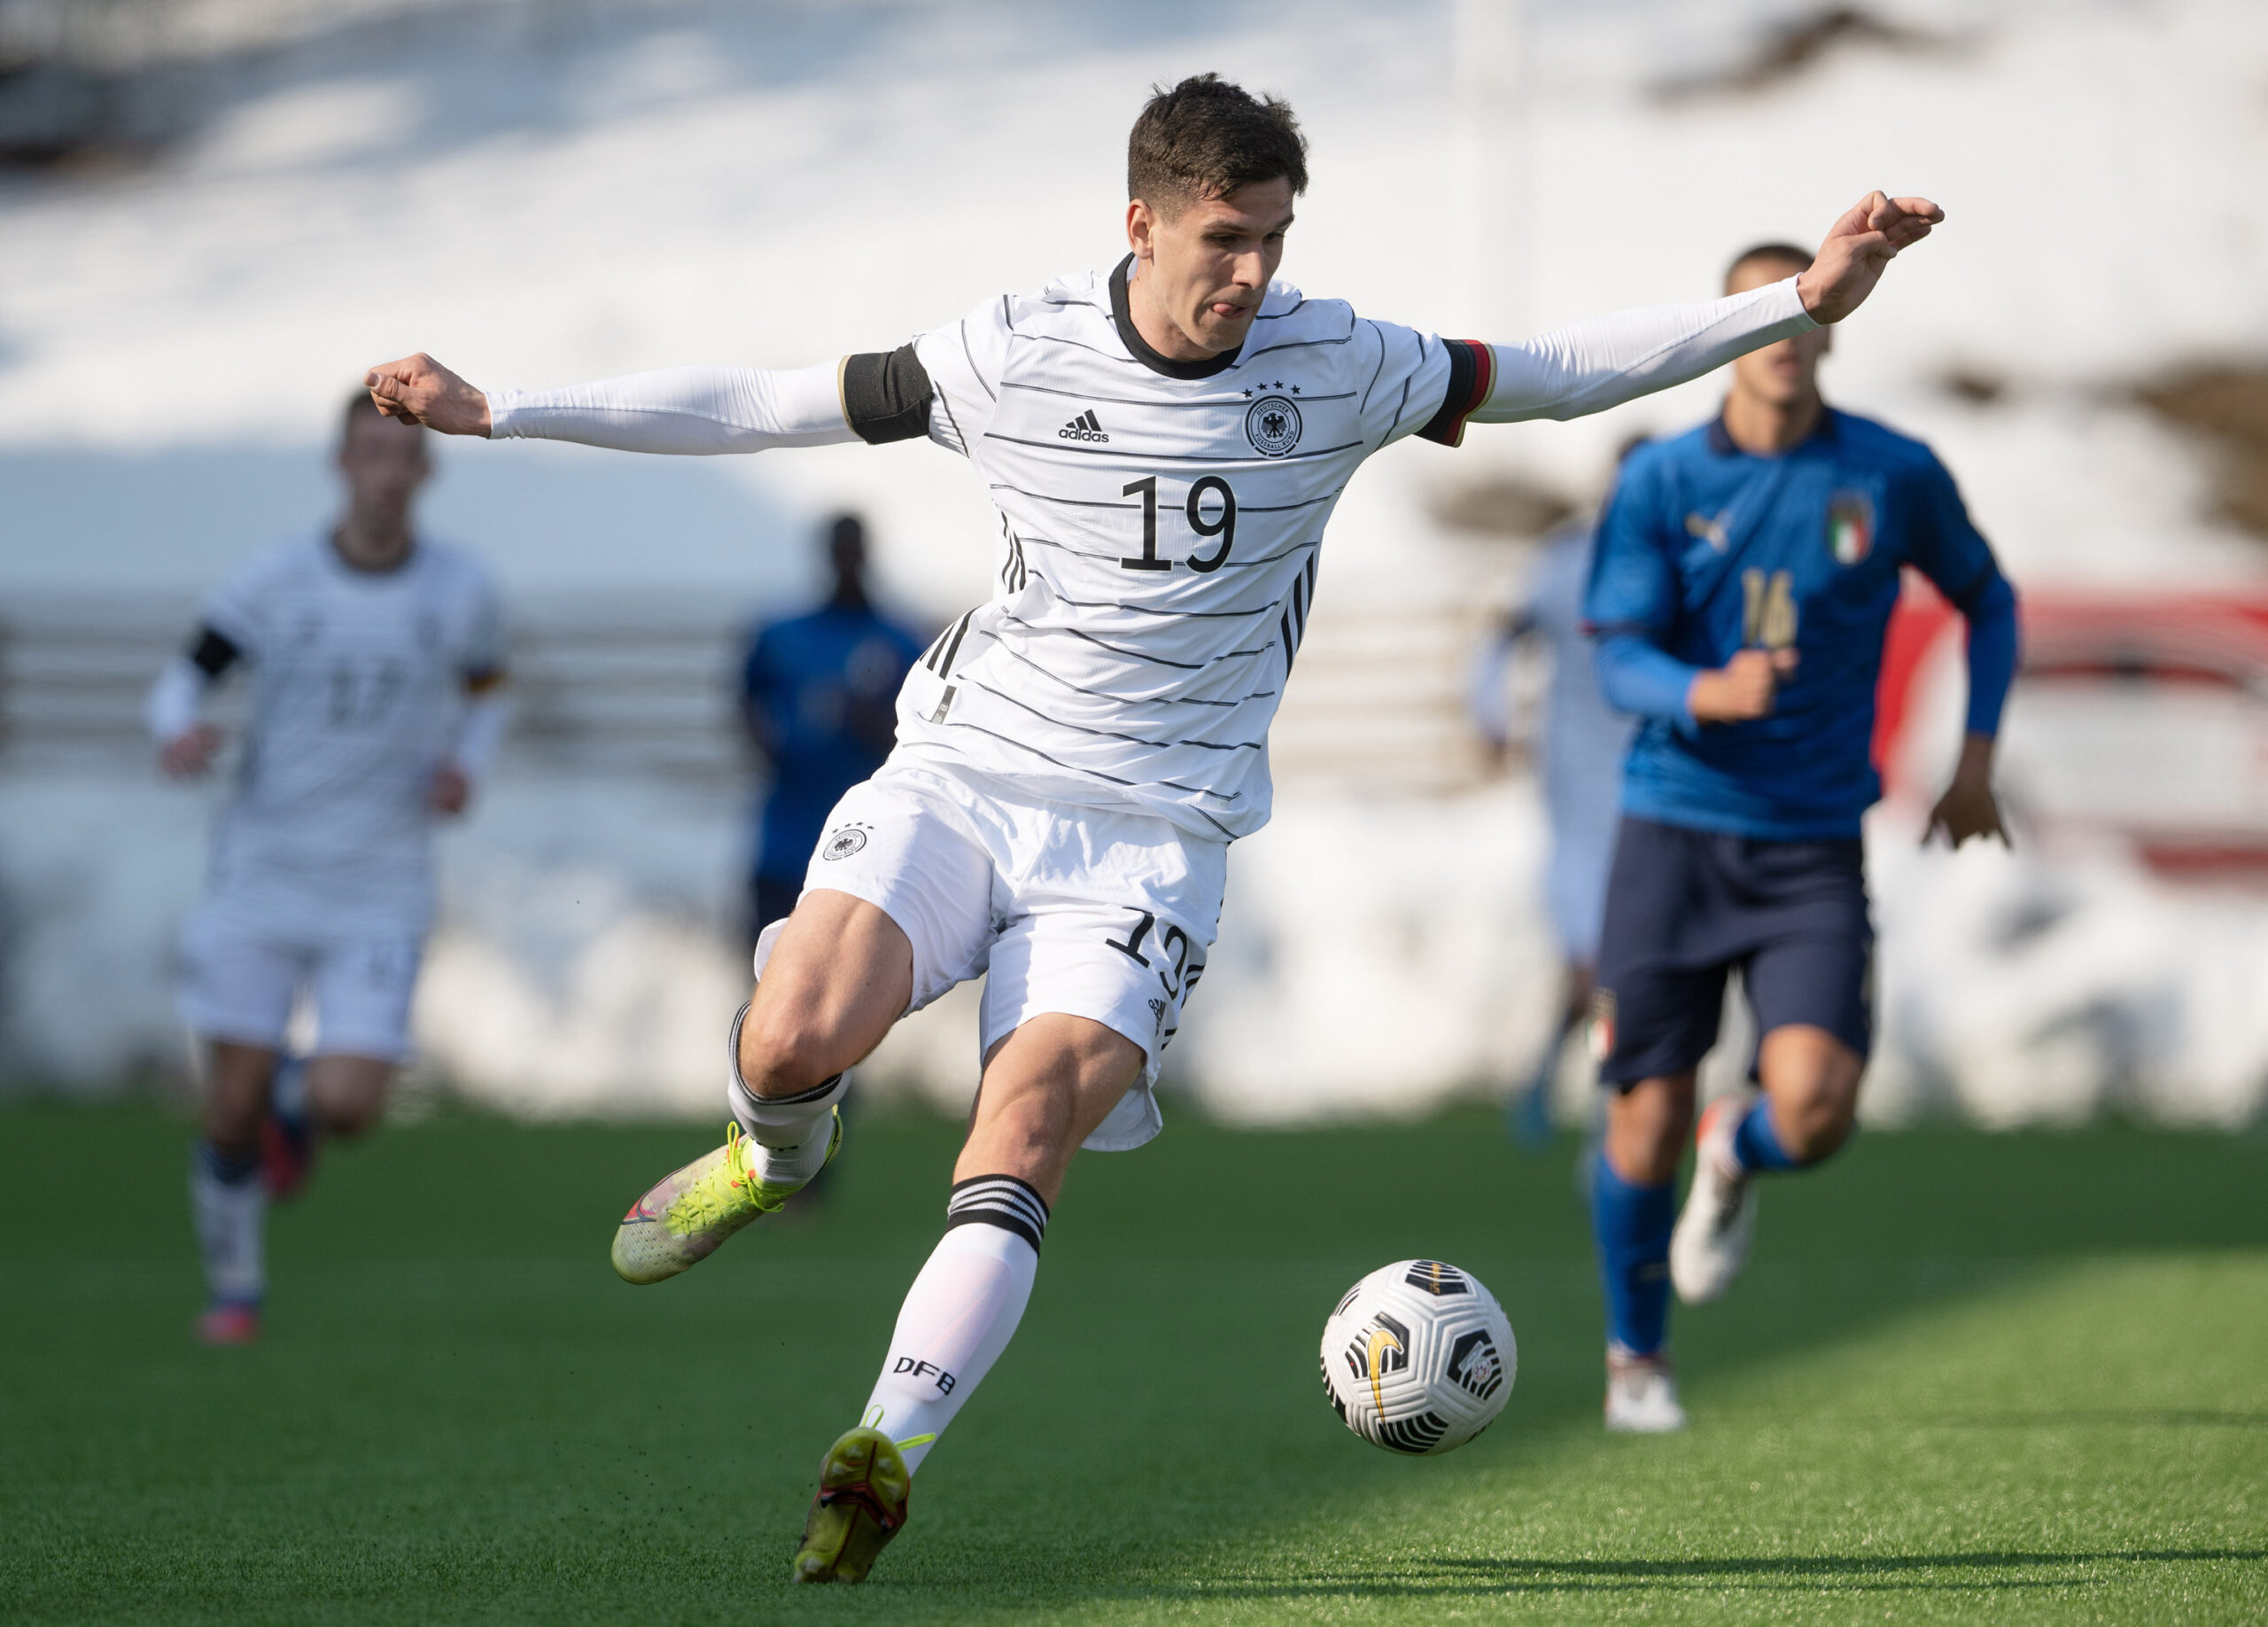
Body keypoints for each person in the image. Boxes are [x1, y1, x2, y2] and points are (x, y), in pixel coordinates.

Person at [362, 74, 1942, 1582]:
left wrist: (1800, 298)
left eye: (1273, 241)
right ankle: (771, 1152)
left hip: (1154, 839)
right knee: (792, 1037)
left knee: (1028, 1118)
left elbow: (1563, 368)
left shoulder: (1345, 363)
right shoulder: (1014, 350)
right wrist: (508, 410)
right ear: (1142, 222)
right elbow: (770, 405)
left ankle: (880, 1446)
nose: (1252, 275)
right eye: (1223, 241)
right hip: (968, 775)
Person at [1581, 241, 2018, 1433]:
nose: (1779, 334)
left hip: (1811, 847)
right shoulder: (1662, 482)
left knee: (1817, 1110)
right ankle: (1637, 1361)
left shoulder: (1889, 473)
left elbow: (1988, 597)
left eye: (1801, 309)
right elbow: (1615, 654)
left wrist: (1974, 758)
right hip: (1672, 836)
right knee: (1643, 1114)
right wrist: (1700, 691)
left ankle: (1740, 1152)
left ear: (1831, 327)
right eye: (1753, 313)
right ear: (1722, 333)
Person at [149, 394, 509, 1347]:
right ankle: (235, 1290)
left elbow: (487, 690)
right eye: (371, 453)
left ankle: (287, 1111)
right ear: (342, 464)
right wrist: (176, 729)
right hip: (260, 874)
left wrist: (466, 763)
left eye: (404, 454)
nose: (388, 472)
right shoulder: (275, 580)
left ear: (425, 472)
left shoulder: (460, 587)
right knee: (227, 1106)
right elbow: (185, 675)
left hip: (381, 882)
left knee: (349, 1105)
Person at [1470, 445, 1643, 1148]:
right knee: (1596, 973)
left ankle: (1566, 1077)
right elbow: (1504, 633)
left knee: (1620, 976)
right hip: (1577, 802)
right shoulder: (1570, 561)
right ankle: (1609, 1114)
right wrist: (1488, 712)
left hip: (1659, 799)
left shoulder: (1691, 564)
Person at [739, 514, 923, 945]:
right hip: (784, 841)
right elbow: (746, 696)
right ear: (827, 555)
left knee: (848, 986)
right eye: (839, 550)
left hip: (864, 854)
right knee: (760, 969)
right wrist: (772, 752)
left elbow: (926, 736)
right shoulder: (780, 636)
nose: (847, 560)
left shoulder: (901, 642)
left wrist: (871, 724)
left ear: (866, 554)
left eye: (853, 550)